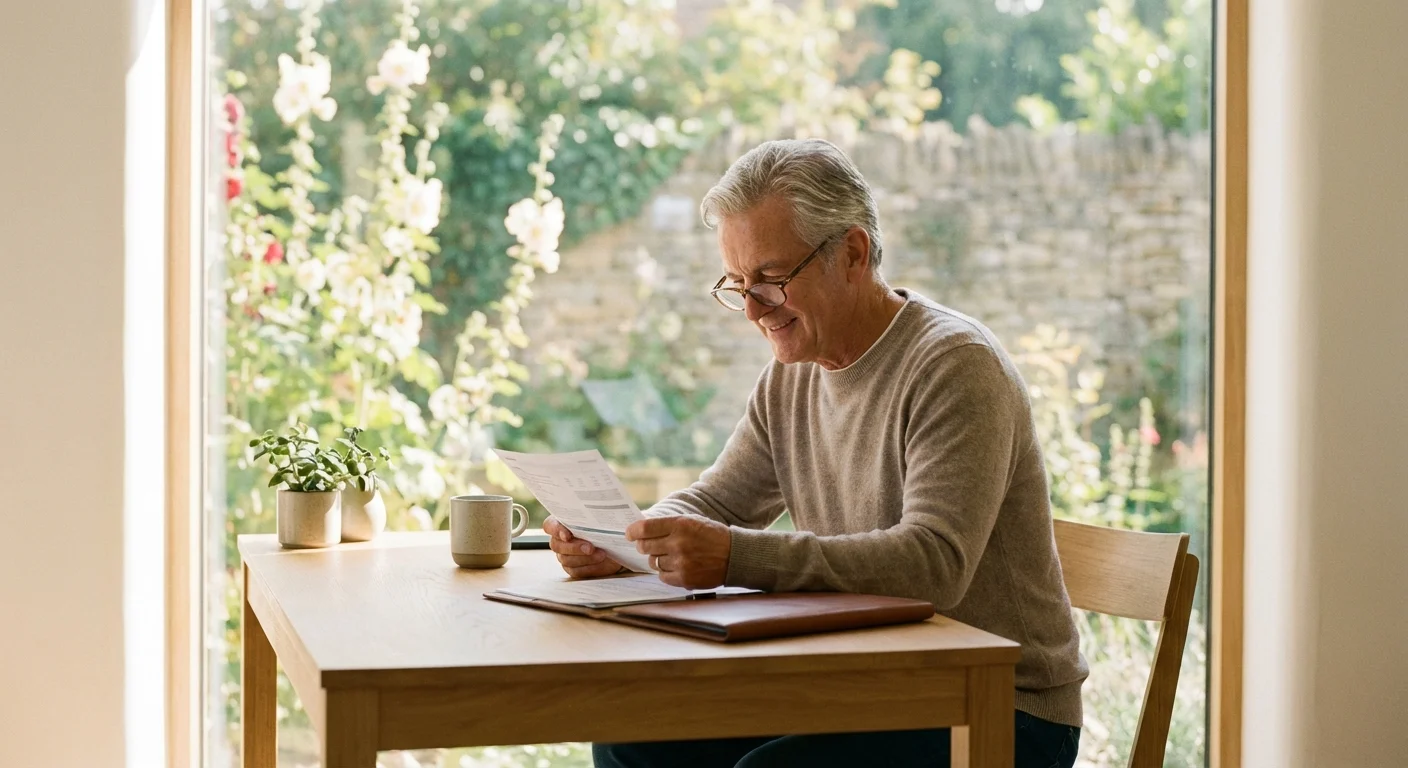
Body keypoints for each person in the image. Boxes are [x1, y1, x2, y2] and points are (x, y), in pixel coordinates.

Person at [542, 138, 1088, 768]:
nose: (751, 308)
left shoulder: (953, 366)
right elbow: (721, 499)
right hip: (869, 678)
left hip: (1003, 708)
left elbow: (934, 564)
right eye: (738, 282)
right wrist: (628, 541)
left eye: (771, 279)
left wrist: (732, 556)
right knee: (636, 737)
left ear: (852, 253)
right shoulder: (795, 372)